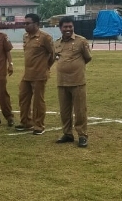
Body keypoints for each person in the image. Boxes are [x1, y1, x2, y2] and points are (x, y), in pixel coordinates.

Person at [53, 16, 92, 147]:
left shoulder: (81, 41)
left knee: (80, 111)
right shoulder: (57, 43)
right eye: (65, 27)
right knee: (64, 111)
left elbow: (87, 58)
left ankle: (82, 135)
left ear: (73, 27)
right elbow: (56, 58)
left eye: (70, 26)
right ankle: (67, 134)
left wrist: (75, 67)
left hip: (77, 81)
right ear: (60, 28)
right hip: (62, 82)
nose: (68, 29)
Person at [16, 13, 55, 135]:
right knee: (23, 98)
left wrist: (46, 67)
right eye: (24, 23)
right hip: (27, 73)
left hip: (40, 74)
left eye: (28, 23)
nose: (25, 25)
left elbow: (52, 55)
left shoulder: (45, 37)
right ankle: (26, 122)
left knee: (38, 101)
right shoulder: (25, 37)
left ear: (37, 24)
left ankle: (39, 125)